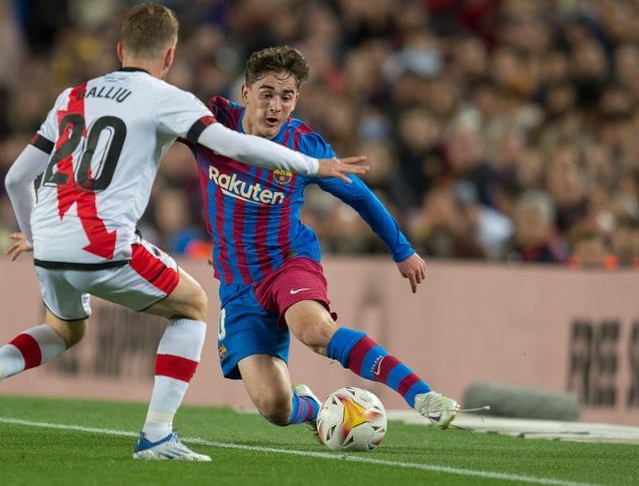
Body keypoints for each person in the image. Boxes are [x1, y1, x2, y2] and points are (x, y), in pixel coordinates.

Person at [0, 4, 369, 460]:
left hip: (49, 238)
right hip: (102, 240)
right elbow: (236, 145)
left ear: (121, 50)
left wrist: (35, 233)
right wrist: (316, 165)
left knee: (63, 329)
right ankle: (157, 434)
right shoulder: (165, 97)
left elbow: (16, 179)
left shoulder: (72, 96)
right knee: (194, 305)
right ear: (171, 55)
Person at [184, 45, 460, 433]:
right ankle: (313, 408)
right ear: (245, 94)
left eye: (286, 96)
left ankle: (421, 396)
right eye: (266, 93)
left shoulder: (304, 146)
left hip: (288, 261)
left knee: (314, 331)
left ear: (296, 99)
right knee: (275, 408)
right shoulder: (210, 126)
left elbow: (360, 196)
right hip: (238, 284)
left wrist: (403, 250)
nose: (275, 106)